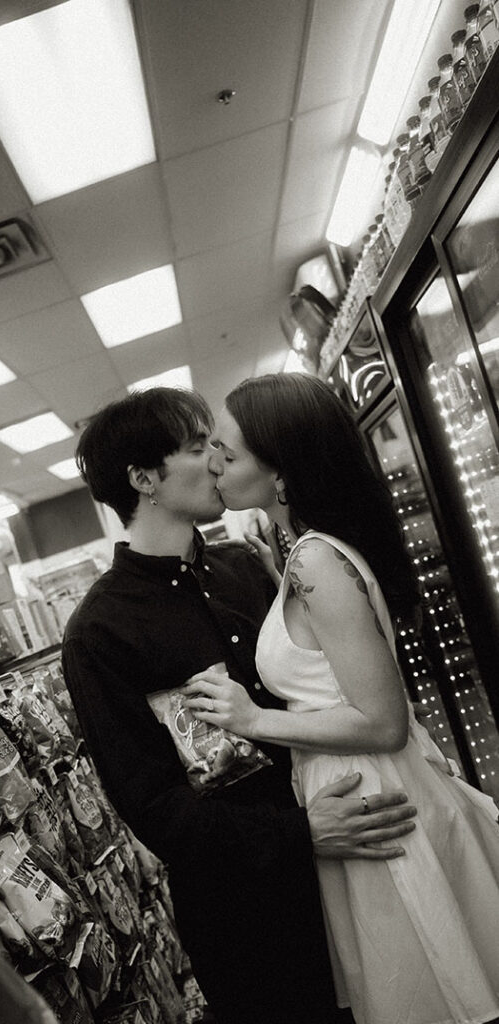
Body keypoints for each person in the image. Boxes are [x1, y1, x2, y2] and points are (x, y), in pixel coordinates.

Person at [61, 386, 418, 1024]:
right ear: (143, 478)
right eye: (200, 448)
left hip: (356, 855)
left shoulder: (246, 568)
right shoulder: (100, 630)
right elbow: (153, 806)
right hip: (250, 912)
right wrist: (299, 832)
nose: (220, 460)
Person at [184, 372, 499, 1024]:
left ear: (280, 474)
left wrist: (253, 718)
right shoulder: (301, 554)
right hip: (368, 795)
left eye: (229, 453)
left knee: (438, 989)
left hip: (376, 797)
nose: (212, 463)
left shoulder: (315, 562)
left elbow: (382, 721)